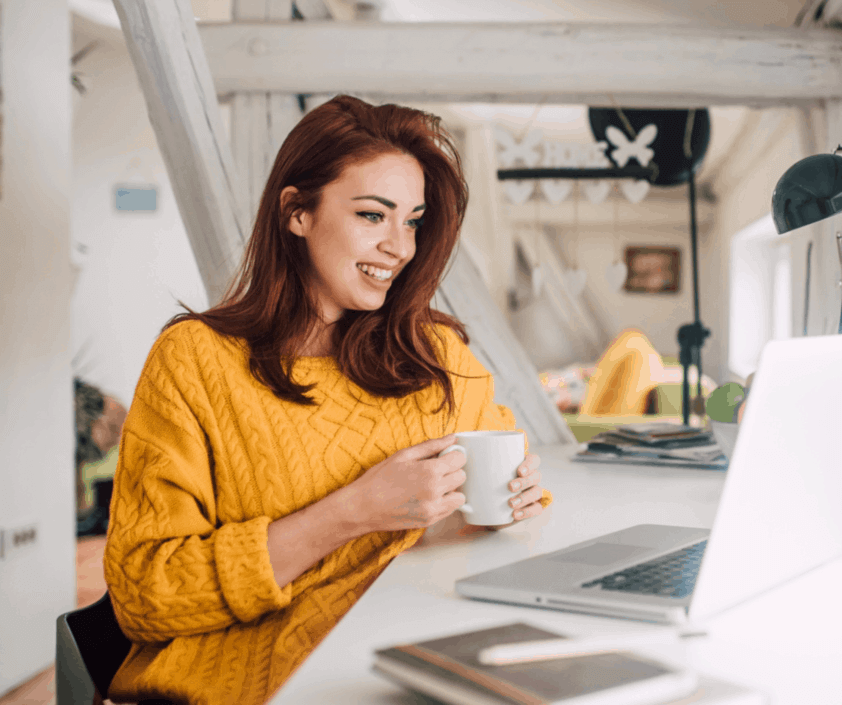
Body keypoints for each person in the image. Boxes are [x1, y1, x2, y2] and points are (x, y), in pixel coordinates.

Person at [103, 95, 551, 705]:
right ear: (297, 213)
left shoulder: (436, 355)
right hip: (244, 681)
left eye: (413, 220)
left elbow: (499, 480)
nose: (401, 247)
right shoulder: (196, 361)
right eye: (374, 215)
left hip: (403, 654)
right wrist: (353, 511)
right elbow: (143, 595)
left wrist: (516, 492)